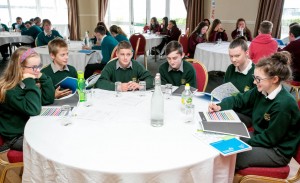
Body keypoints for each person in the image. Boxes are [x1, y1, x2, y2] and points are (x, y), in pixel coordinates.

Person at [209, 52, 300, 170]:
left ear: (274, 79)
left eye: (258, 79)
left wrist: (240, 143)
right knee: (223, 140)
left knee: (231, 157)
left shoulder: (284, 104)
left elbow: (270, 139)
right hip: (262, 137)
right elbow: (240, 99)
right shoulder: (261, 90)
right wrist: (220, 106)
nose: (254, 82)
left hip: (277, 150)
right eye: (254, 78)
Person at [0, 47, 55, 152]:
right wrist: (30, 82)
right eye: (34, 67)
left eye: (39, 66)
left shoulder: (24, 82)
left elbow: (48, 100)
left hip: (29, 128)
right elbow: (33, 110)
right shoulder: (10, 90)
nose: (38, 70)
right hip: (16, 137)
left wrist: (42, 77)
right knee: (51, 144)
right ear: (20, 68)